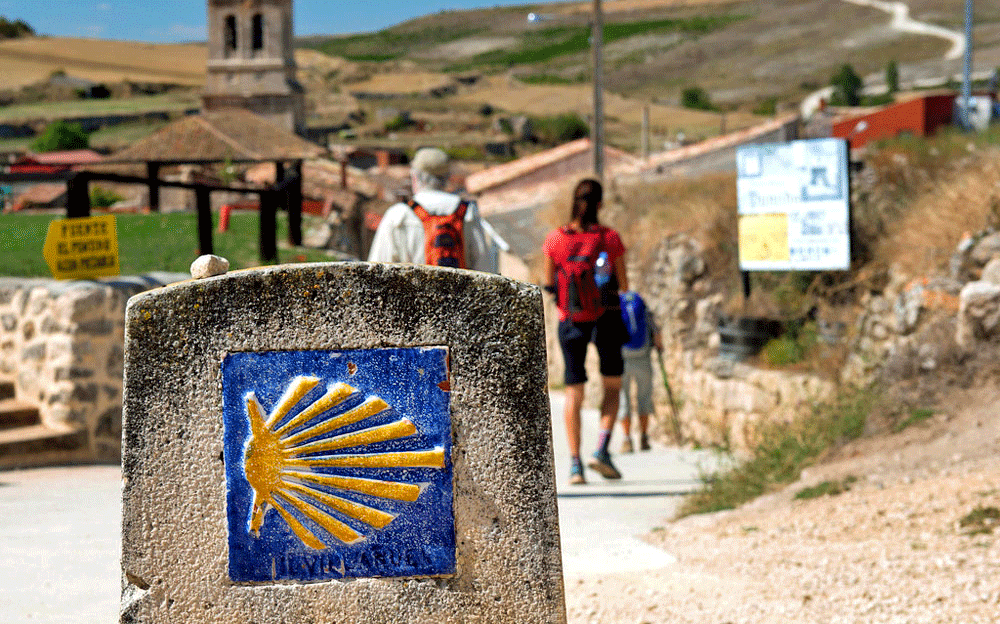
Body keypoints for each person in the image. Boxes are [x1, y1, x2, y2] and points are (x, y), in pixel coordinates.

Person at [542, 178, 629, 485]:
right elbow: (624, 284)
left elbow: (549, 284)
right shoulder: (610, 238)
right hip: (607, 318)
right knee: (613, 386)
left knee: (573, 392)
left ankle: (576, 465)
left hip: (571, 320)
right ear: (600, 204)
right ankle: (601, 449)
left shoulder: (555, 239)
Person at [368, 147, 493, 272]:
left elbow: (376, 269)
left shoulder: (398, 215)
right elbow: (484, 267)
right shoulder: (466, 211)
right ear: (448, 177)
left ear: (415, 177)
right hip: (458, 285)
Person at [618, 292, 663, 453]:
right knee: (644, 397)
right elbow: (656, 330)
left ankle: (627, 440)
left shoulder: (617, 305)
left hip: (622, 359)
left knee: (624, 399)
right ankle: (644, 438)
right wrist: (659, 347)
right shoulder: (642, 305)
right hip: (643, 358)